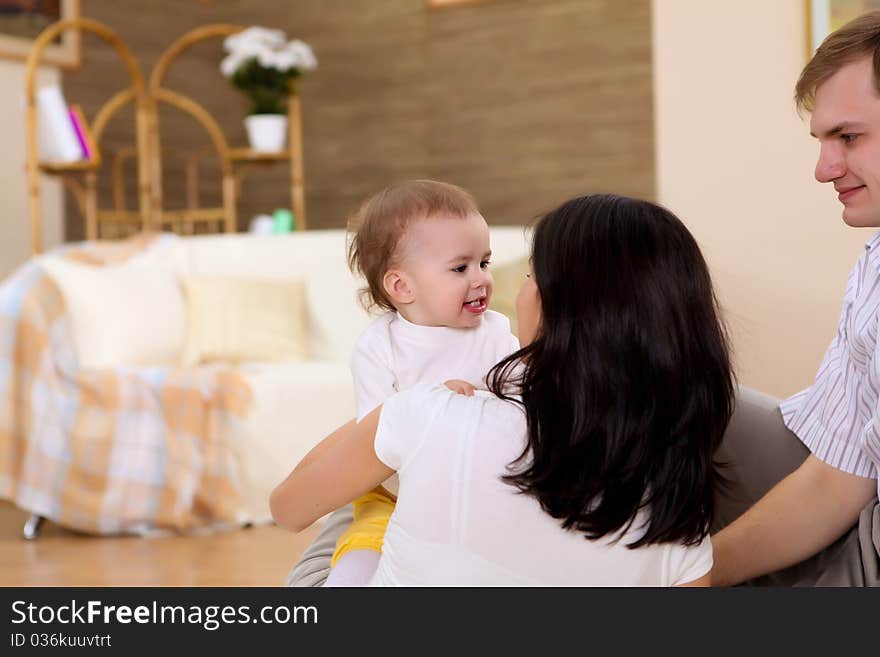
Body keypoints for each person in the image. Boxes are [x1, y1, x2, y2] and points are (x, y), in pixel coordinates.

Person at [271, 193, 735, 586]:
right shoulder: (680, 499)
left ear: (568, 310)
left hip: (392, 476)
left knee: (339, 527)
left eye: (529, 276)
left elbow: (288, 508)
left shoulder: (432, 413)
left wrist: (394, 415)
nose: (500, 287)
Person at [711, 11, 880, 587]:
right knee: (654, 391)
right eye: (823, 140)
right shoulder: (875, 262)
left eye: (849, 137)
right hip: (846, 492)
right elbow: (839, 475)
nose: (823, 170)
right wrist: (693, 578)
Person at [323, 179, 520, 586]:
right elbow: (377, 440)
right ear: (402, 286)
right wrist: (434, 404)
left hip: (478, 489)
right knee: (359, 558)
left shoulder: (496, 332)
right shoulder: (380, 349)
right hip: (395, 497)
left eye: (484, 263)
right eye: (460, 268)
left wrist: (485, 396)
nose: (481, 278)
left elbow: (522, 404)